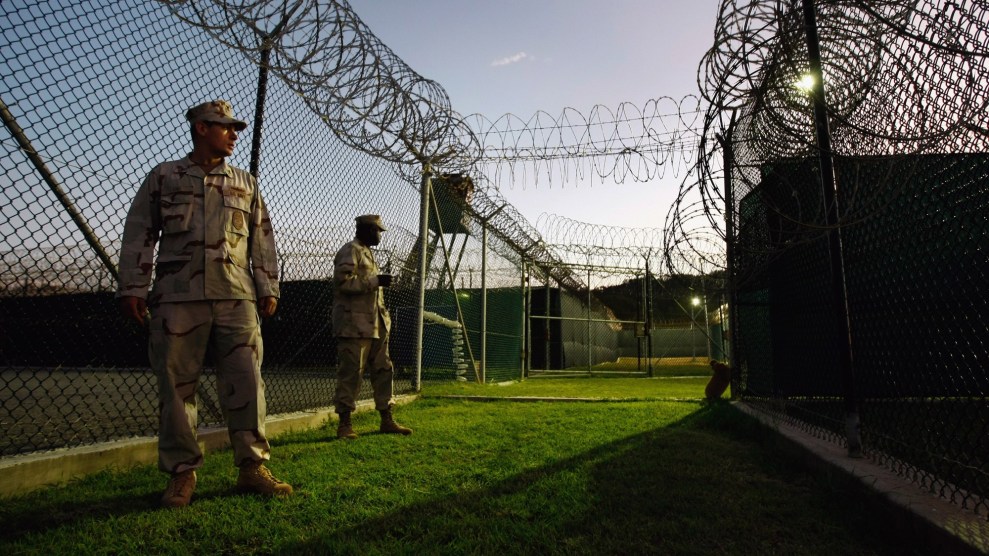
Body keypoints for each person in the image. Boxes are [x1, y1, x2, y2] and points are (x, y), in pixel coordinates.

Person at [117, 99, 292, 508]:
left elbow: (262, 237)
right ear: (201, 128)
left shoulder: (246, 183)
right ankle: (182, 473)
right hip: (178, 297)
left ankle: (252, 467)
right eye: (225, 127)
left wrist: (267, 285)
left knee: (247, 382)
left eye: (236, 128)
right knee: (177, 387)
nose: (234, 135)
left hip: (236, 296)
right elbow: (140, 231)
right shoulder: (165, 177)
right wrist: (133, 286)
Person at [332, 214, 413, 439]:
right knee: (351, 374)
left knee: (384, 370)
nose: (380, 235)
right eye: (378, 231)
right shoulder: (351, 250)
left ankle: (387, 419)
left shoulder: (367, 252)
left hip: (376, 325)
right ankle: (345, 424)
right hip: (354, 326)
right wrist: (376, 281)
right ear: (367, 230)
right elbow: (342, 282)